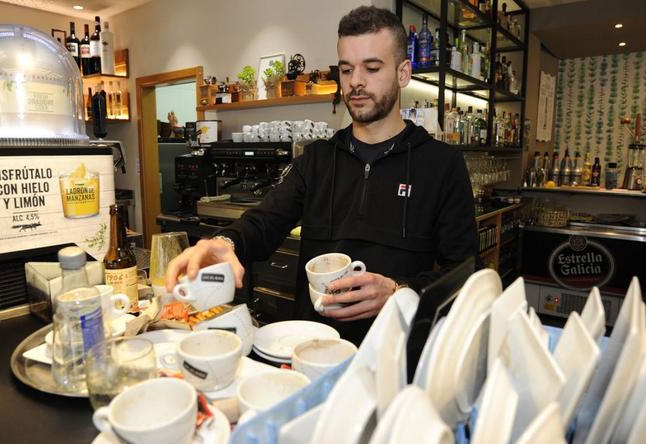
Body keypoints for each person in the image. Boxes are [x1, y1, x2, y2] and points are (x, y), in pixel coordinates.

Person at [167, 5, 479, 344]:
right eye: (346, 70)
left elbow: (463, 274)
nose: (356, 82)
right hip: (313, 350)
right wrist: (222, 242)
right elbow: (262, 222)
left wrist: (399, 292)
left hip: (397, 357)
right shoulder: (317, 160)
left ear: (403, 73)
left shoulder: (442, 164)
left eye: (372, 68)